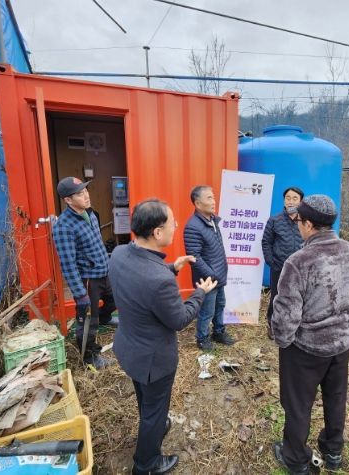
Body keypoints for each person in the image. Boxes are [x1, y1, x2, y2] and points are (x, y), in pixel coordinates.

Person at [109, 199, 217, 475]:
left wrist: (172, 267)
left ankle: (154, 423)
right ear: (157, 232)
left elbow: (141, 279)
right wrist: (200, 293)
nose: (176, 226)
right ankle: (146, 464)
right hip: (153, 360)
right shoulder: (159, 280)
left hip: (129, 348)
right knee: (155, 410)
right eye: (172, 223)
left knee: (147, 402)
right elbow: (179, 320)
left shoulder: (119, 254)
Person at [271, 195, 349, 475]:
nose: (297, 225)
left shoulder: (298, 261)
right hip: (341, 345)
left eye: (299, 221)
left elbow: (286, 314)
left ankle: (296, 460)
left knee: (298, 404)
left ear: (307, 224)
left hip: (305, 348)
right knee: (336, 397)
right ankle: (333, 451)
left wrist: (283, 341)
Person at [52, 177, 117, 369]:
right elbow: (68, 264)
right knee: (88, 318)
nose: (86, 195)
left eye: (85, 190)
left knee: (115, 300)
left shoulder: (91, 214)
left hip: (104, 271)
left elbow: (97, 244)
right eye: (79, 194)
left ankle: (105, 317)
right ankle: (89, 356)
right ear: (68, 200)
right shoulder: (64, 226)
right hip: (88, 279)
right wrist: (80, 294)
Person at [184, 185, 235, 351]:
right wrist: (211, 275)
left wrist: (218, 274)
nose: (214, 201)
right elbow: (194, 257)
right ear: (198, 204)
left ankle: (218, 332)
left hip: (218, 276)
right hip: (207, 279)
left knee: (220, 305)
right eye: (209, 198)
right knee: (207, 311)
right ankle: (202, 338)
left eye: (213, 197)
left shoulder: (212, 220)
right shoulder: (193, 226)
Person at [261, 186, 304, 339]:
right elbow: (266, 242)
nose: (291, 201)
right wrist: (271, 261)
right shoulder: (275, 220)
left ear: (301, 202)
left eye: (295, 198)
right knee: (277, 296)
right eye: (288, 198)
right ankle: (273, 325)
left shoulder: (305, 221)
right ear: (284, 201)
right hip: (279, 266)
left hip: (300, 268)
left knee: (298, 296)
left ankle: (294, 325)